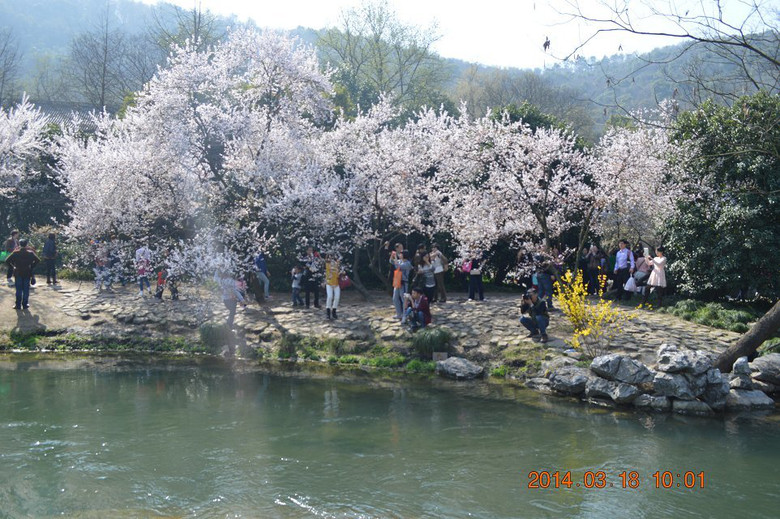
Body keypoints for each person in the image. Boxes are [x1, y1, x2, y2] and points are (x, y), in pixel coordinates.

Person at [6, 239, 40, 310]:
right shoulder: (30, 253)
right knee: (26, 289)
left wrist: (13, 267)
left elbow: (7, 261)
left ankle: (18, 304)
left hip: (18, 272)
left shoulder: (15, 253)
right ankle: (25, 304)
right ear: (26, 245)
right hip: (27, 272)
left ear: (19, 245)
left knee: (18, 289)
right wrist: (31, 266)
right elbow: (37, 260)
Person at [324, 253, 342, 320]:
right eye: (329, 257)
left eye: (331, 257)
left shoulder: (337, 264)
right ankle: (328, 312)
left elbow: (339, 271)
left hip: (336, 283)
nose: (330, 259)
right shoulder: (327, 264)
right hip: (329, 283)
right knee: (330, 296)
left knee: (337, 297)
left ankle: (334, 310)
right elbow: (330, 268)